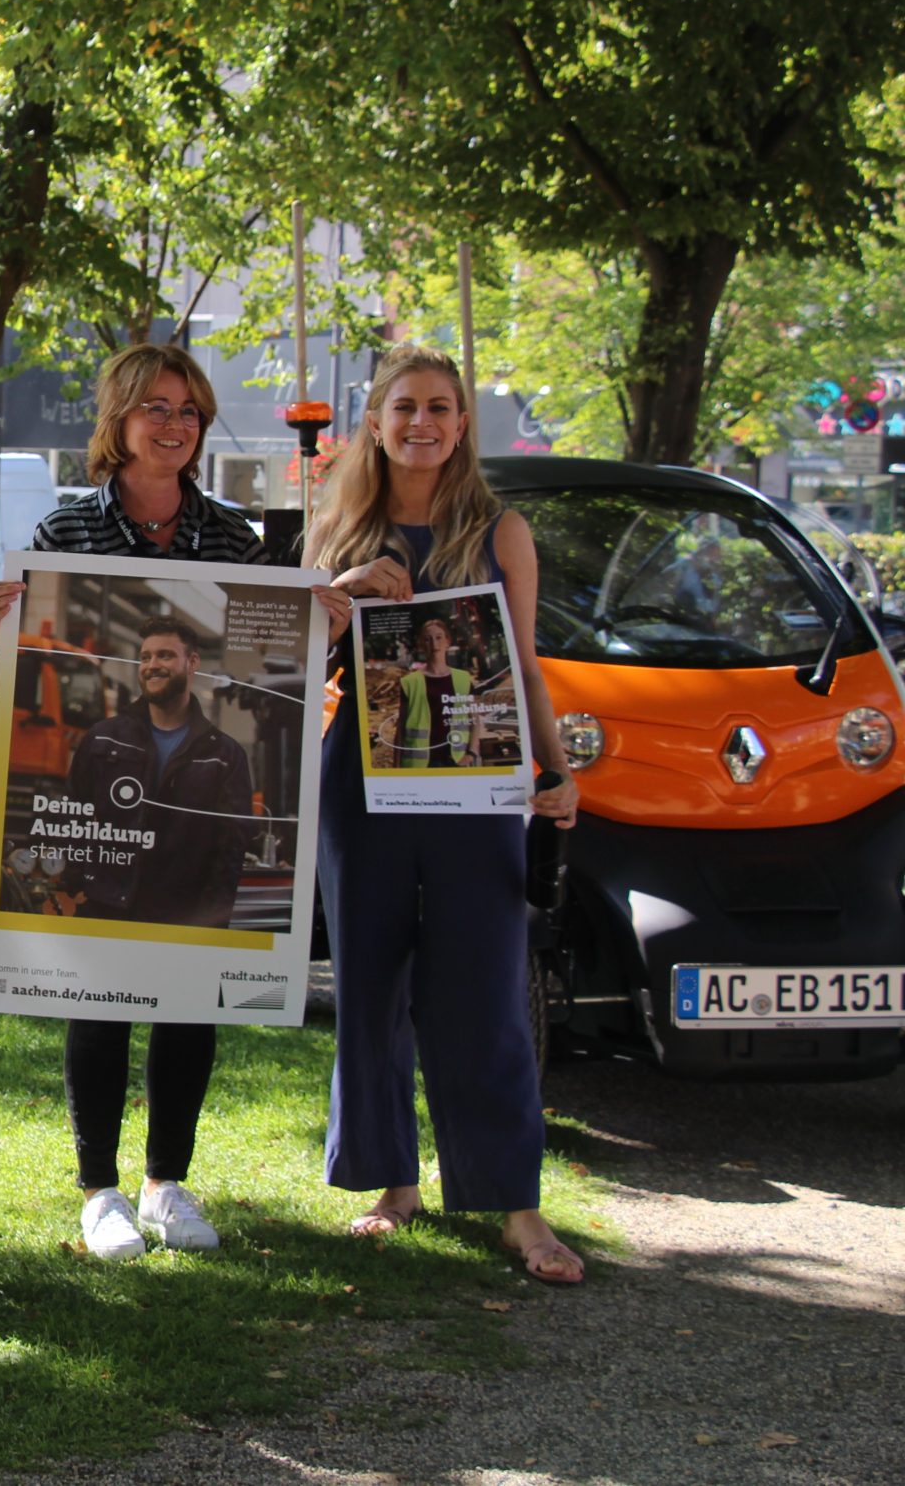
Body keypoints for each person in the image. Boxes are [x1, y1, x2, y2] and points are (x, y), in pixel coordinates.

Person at [0, 342, 336, 1263]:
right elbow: (18, 683)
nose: (172, 425)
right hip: (113, 844)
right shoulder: (63, 536)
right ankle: (99, 1189)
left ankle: (167, 1182)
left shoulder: (232, 541)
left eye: (187, 410)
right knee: (97, 1002)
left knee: (190, 1006)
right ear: (119, 421)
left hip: (191, 857)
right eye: (155, 408)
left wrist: (315, 631)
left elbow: (285, 668)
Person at [308, 346, 584, 1284]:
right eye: (403, 407)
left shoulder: (500, 529)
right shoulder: (336, 522)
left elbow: (530, 662)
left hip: (476, 788)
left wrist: (558, 768)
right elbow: (293, 656)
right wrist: (344, 593)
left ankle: (517, 1205)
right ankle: (393, 1186)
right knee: (371, 987)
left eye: (439, 407)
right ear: (375, 420)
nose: (421, 422)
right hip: (358, 784)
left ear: (462, 423)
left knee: (485, 988)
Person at [58, 615, 254, 929]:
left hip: (179, 920)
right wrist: (75, 884)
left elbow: (230, 852)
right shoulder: (103, 738)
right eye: (145, 657)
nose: (152, 665)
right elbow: (71, 814)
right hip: (103, 909)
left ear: (192, 663)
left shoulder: (224, 755)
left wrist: (210, 924)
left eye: (165, 655)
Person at [392, 615, 475, 770]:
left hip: (455, 760)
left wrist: (471, 753)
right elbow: (401, 728)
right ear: (421, 645)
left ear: (448, 641)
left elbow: (475, 719)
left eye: (439, 637)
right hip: (418, 765)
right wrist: (396, 768)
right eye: (427, 639)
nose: (434, 643)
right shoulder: (410, 682)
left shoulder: (463, 679)